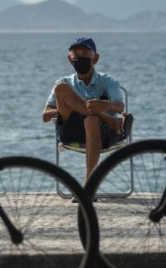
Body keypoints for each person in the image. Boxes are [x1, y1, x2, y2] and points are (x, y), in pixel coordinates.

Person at [43, 37, 132, 182]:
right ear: (70, 59)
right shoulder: (65, 82)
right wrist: (71, 107)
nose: (80, 58)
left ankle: (89, 183)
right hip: (72, 132)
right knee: (61, 88)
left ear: (95, 58)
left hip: (102, 133)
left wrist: (105, 105)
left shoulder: (108, 82)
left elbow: (120, 106)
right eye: (76, 55)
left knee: (91, 120)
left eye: (85, 54)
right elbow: (45, 115)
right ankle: (110, 120)